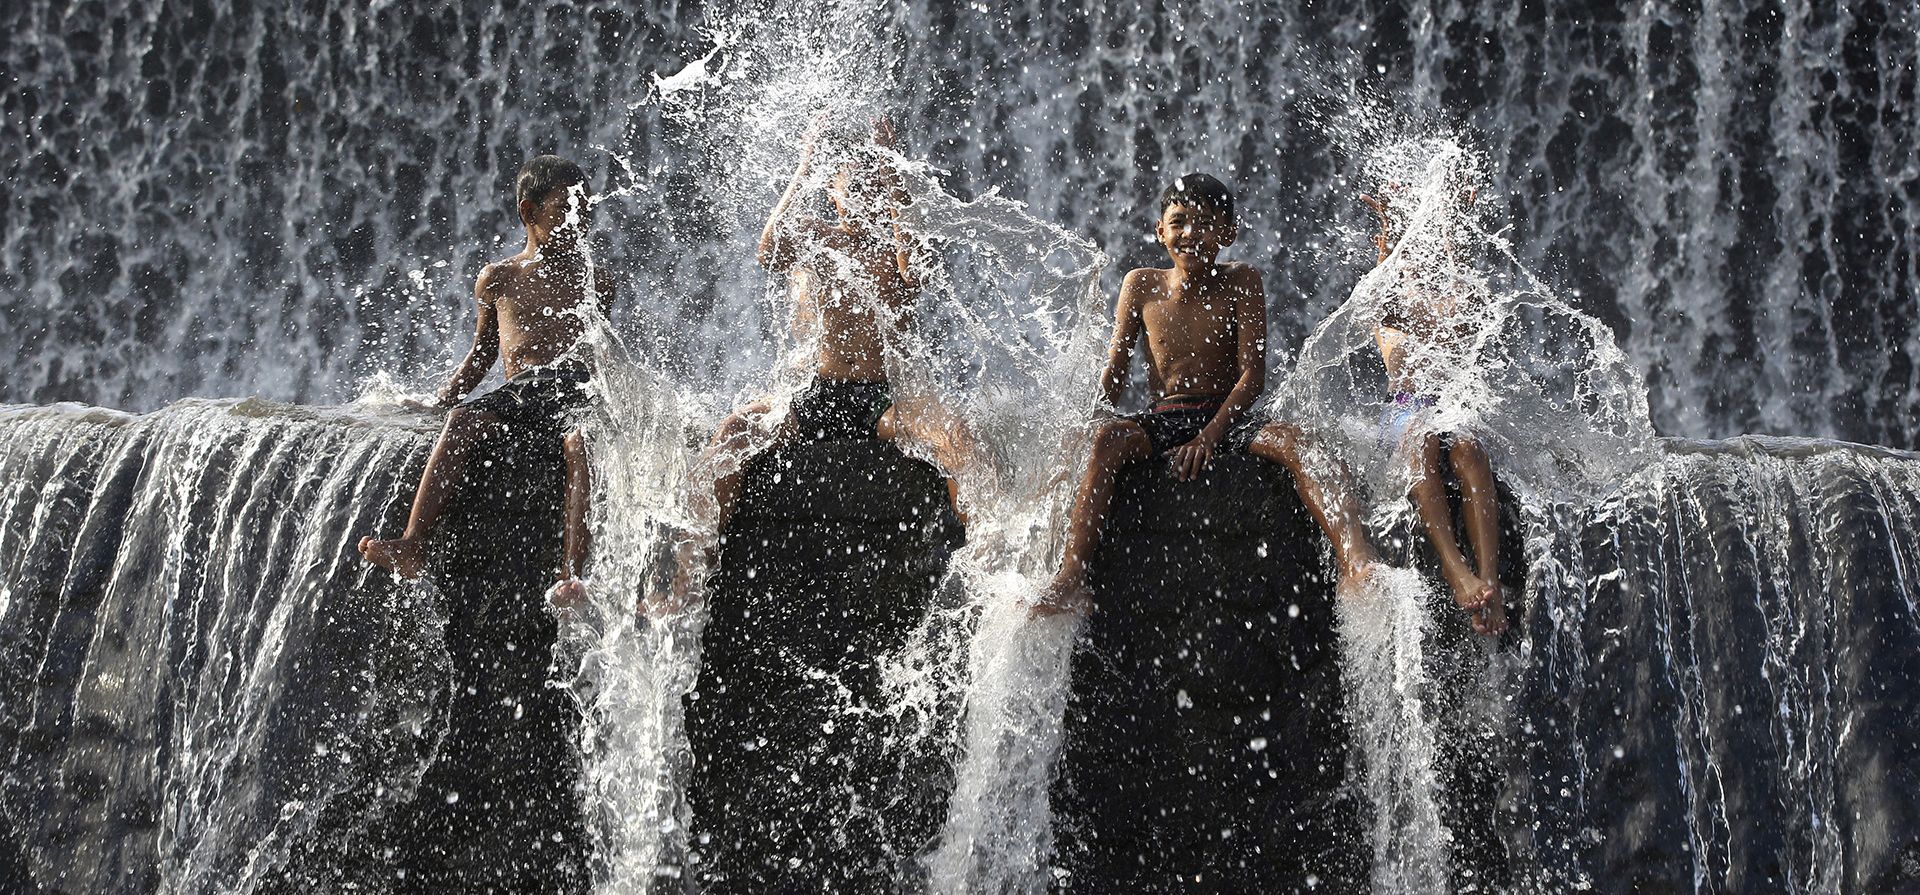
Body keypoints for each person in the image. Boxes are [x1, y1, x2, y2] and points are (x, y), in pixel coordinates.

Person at [668, 115, 981, 603]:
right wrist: (806, 162)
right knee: (733, 431)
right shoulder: (818, 237)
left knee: (954, 434)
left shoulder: (893, 250)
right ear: (832, 195)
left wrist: (893, 172)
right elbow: (768, 251)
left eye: (869, 189)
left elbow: (915, 272)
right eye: (848, 189)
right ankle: (689, 578)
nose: (860, 198)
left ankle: (986, 561)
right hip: (819, 394)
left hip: (881, 400)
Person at [1035, 173, 1379, 616]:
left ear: (1228, 233)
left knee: (1300, 444)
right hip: (1164, 416)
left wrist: (1210, 436)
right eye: (1178, 222)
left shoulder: (1242, 281)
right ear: (1160, 231)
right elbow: (1114, 375)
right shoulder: (1140, 284)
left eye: (1204, 223)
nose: (1190, 233)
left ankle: (1356, 560)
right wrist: (1086, 423)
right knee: (1105, 442)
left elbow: (1252, 375)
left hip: (1227, 416)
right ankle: (1071, 577)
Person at [359, 155, 611, 603]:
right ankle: (413, 543)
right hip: (522, 394)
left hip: (573, 389)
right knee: (460, 421)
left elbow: (601, 355)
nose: (579, 221)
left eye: (584, 210)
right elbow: (480, 358)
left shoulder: (597, 281)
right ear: (529, 213)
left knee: (580, 442)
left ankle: (573, 576)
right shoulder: (500, 278)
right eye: (565, 210)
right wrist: (437, 402)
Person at [1361, 187, 1505, 636]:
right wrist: (1387, 245)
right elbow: (1385, 278)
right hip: (1406, 413)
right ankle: (1455, 569)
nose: (1416, 257)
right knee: (1422, 439)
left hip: (1454, 406)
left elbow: (1462, 311)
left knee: (1468, 449)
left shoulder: (1454, 296)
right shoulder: (1387, 306)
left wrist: (1453, 227)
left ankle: (1492, 582)